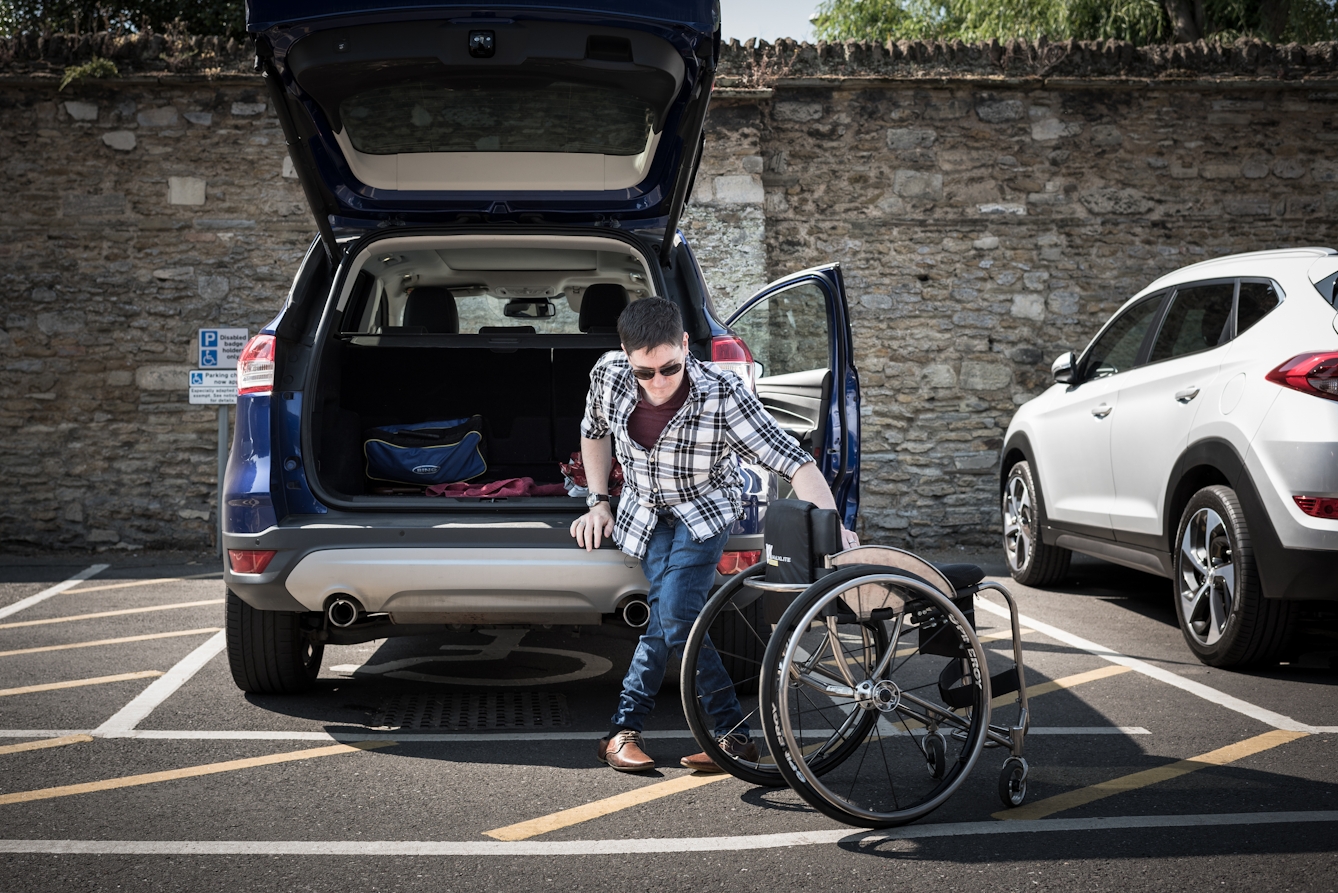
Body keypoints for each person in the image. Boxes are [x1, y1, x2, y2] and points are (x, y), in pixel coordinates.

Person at [572, 297, 859, 773]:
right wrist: (598, 500)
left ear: (686, 345)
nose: (659, 383)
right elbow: (593, 431)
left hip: (701, 511)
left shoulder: (722, 392)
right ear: (625, 355)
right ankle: (732, 739)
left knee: (678, 615)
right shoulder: (607, 374)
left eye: (670, 367)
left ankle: (624, 730)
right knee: (674, 618)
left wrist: (834, 528)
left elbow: (794, 460)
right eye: (645, 372)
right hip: (643, 511)